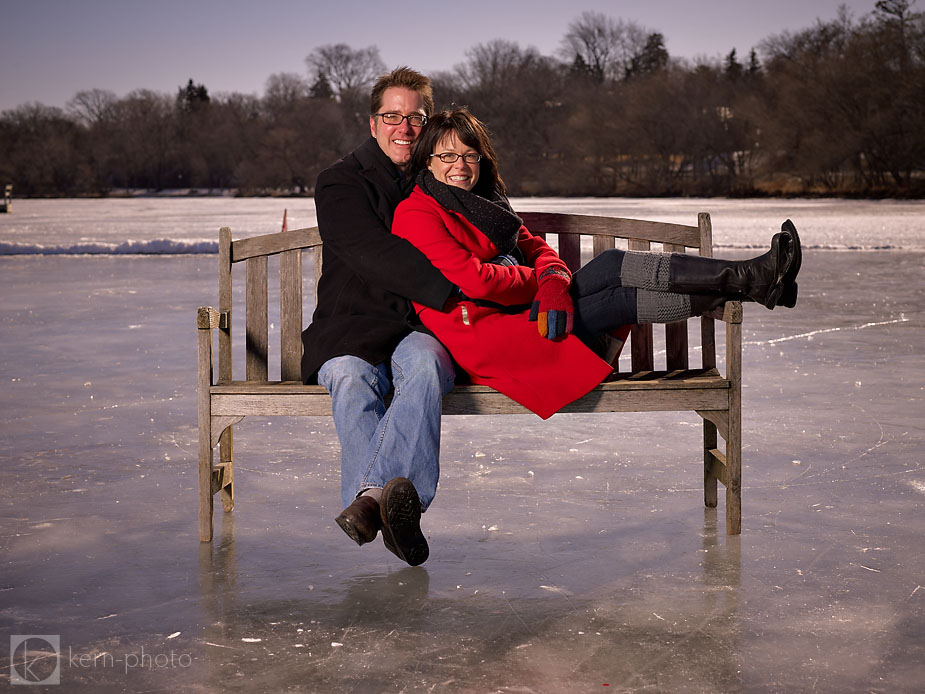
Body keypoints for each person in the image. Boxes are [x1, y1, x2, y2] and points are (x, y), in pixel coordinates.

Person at [392, 108, 801, 419]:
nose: (460, 166)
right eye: (447, 156)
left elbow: (534, 245)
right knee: (616, 296)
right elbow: (476, 281)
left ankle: (751, 279)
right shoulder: (417, 213)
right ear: (427, 160)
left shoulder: (485, 203)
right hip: (484, 332)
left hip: (517, 310)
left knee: (609, 265)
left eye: (469, 155)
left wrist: (553, 279)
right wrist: (543, 284)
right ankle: (752, 282)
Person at [301, 68, 458, 567]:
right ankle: (396, 511)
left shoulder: (441, 178)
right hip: (349, 327)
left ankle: (370, 504)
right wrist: (449, 286)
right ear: (373, 124)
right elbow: (372, 251)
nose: (405, 128)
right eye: (393, 116)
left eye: (415, 117)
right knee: (348, 377)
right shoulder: (340, 182)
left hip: (417, 329)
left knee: (430, 365)